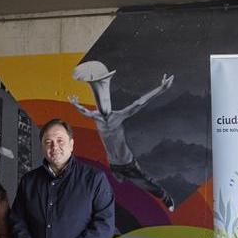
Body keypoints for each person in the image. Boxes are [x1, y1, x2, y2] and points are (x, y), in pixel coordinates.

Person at [68, 61, 176, 210]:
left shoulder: (119, 115)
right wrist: (76, 105)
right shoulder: (95, 116)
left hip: (128, 164)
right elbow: (84, 111)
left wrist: (162, 88)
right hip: (113, 166)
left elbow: (140, 103)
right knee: (119, 189)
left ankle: (166, 198)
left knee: (146, 184)